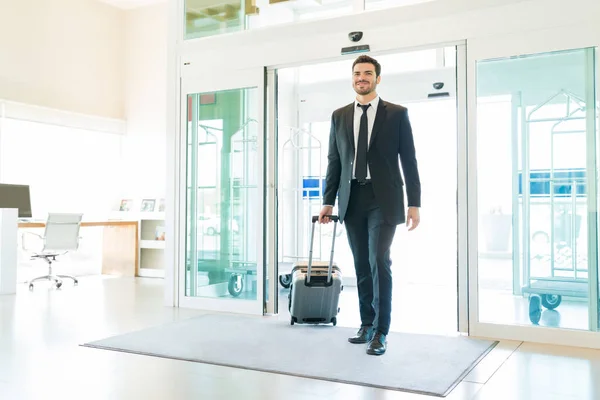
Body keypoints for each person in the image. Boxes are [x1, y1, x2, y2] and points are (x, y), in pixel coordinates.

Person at [318, 54, 421, 356]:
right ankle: (366, 324)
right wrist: (327, 200)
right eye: (357, 73)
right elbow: (334, 161)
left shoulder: (397, 114)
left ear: (378, 78)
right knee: (362, 264)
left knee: (379, 261)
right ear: (352, 78)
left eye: (367, 73)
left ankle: (382, 332)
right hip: (352, 199)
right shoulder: (339, 116)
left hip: (384, 199)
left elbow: (409, 160)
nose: (361, 77)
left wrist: (414, 202)